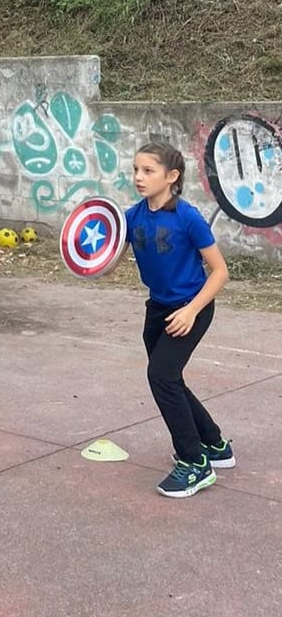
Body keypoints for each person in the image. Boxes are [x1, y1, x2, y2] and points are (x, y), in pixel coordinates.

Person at [125, 141, 234, 497]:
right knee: (169, 378)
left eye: (148, 171)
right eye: (136, 170)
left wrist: (191, 311)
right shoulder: (132, 216)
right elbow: (106, 257)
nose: (139, 177)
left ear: (172, 176)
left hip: (192, 307)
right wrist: (88, 259)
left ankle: (195, 463)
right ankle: (215, 445)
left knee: (161, 375)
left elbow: (220, 272)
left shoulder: (187, 217)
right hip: (157, 309)